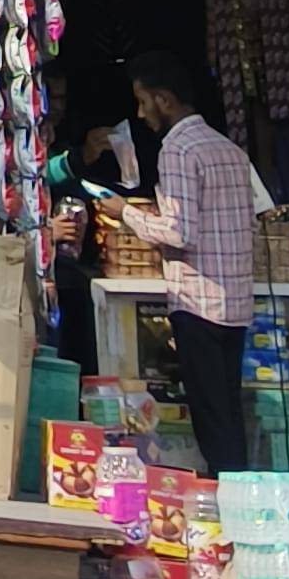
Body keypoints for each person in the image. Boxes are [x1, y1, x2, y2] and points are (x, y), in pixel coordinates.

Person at [119, 52, 259, 474]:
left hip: (198, 302)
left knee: (211, 419)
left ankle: (226, 496)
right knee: (227, 411)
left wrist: (125, 212)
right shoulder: (229, 149)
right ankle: (237, 489)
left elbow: (180, 232)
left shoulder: (178, 149)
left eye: (144, 102)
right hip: (235, 301)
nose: (141, 114)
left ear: (164, 100)